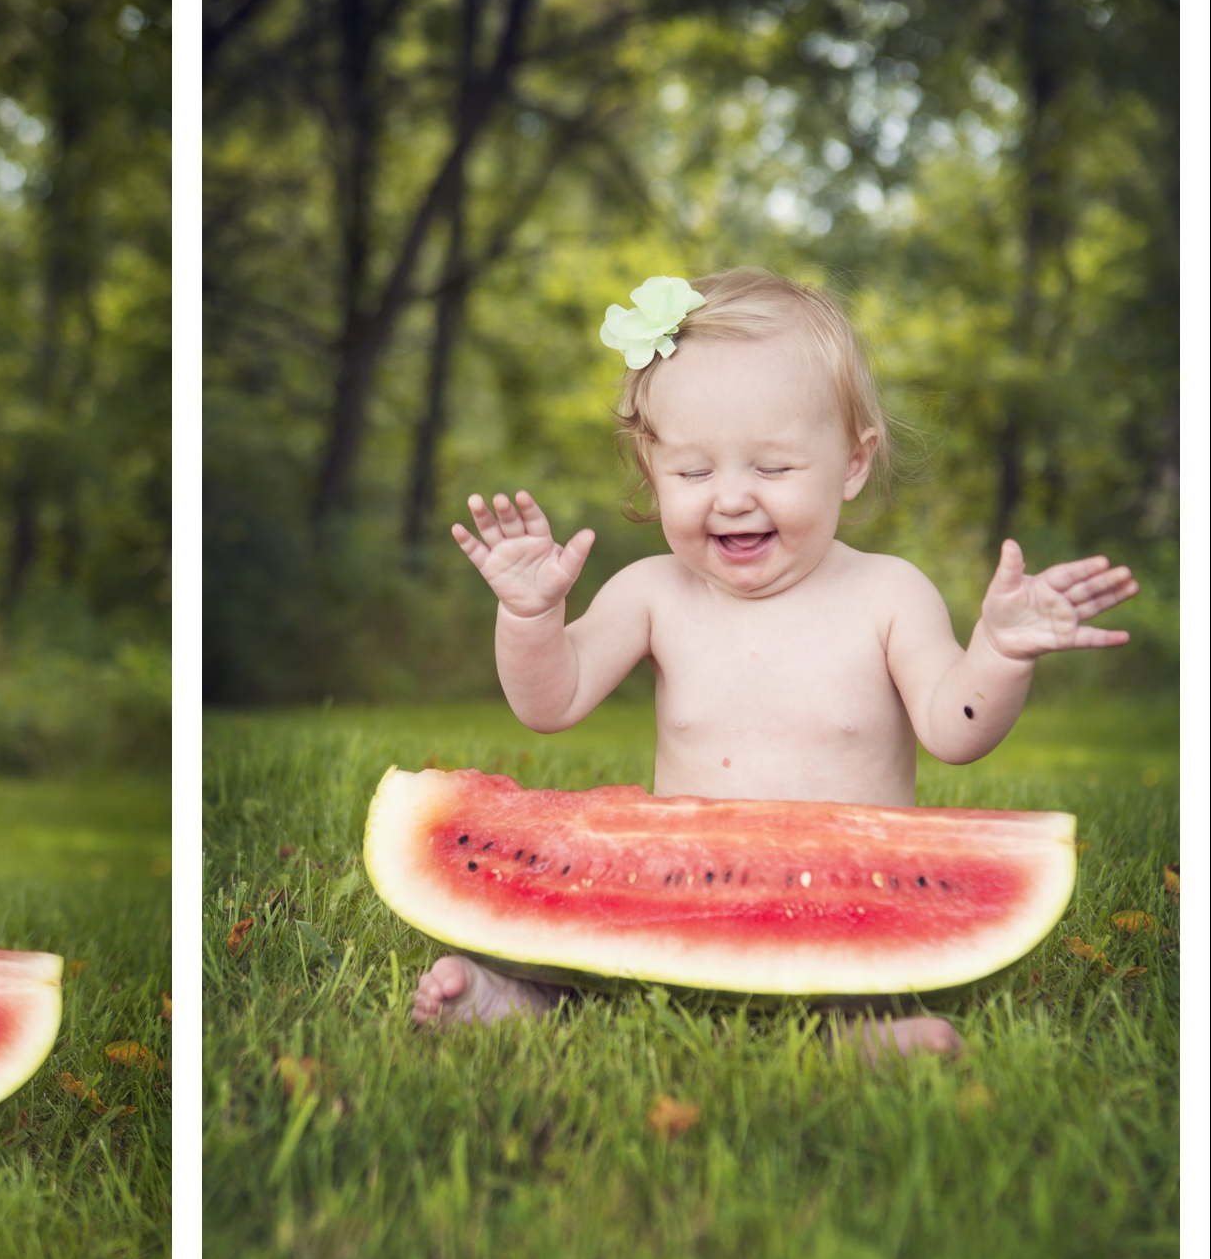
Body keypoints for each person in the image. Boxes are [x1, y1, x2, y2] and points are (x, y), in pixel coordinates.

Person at [414, 270, 1138, 1055]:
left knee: (856, 981)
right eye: (693, 472)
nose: (730, 498)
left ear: (853, 463)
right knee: (567, 940)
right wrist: (530, 614)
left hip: (848, 907)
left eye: (773, 468)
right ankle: (509, 994)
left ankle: (859, 1034)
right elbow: (547, 703)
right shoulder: (653, 591)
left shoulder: (890, 593)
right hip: (670, 900)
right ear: (652, 473)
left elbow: (955, 729)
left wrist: (996, 652)